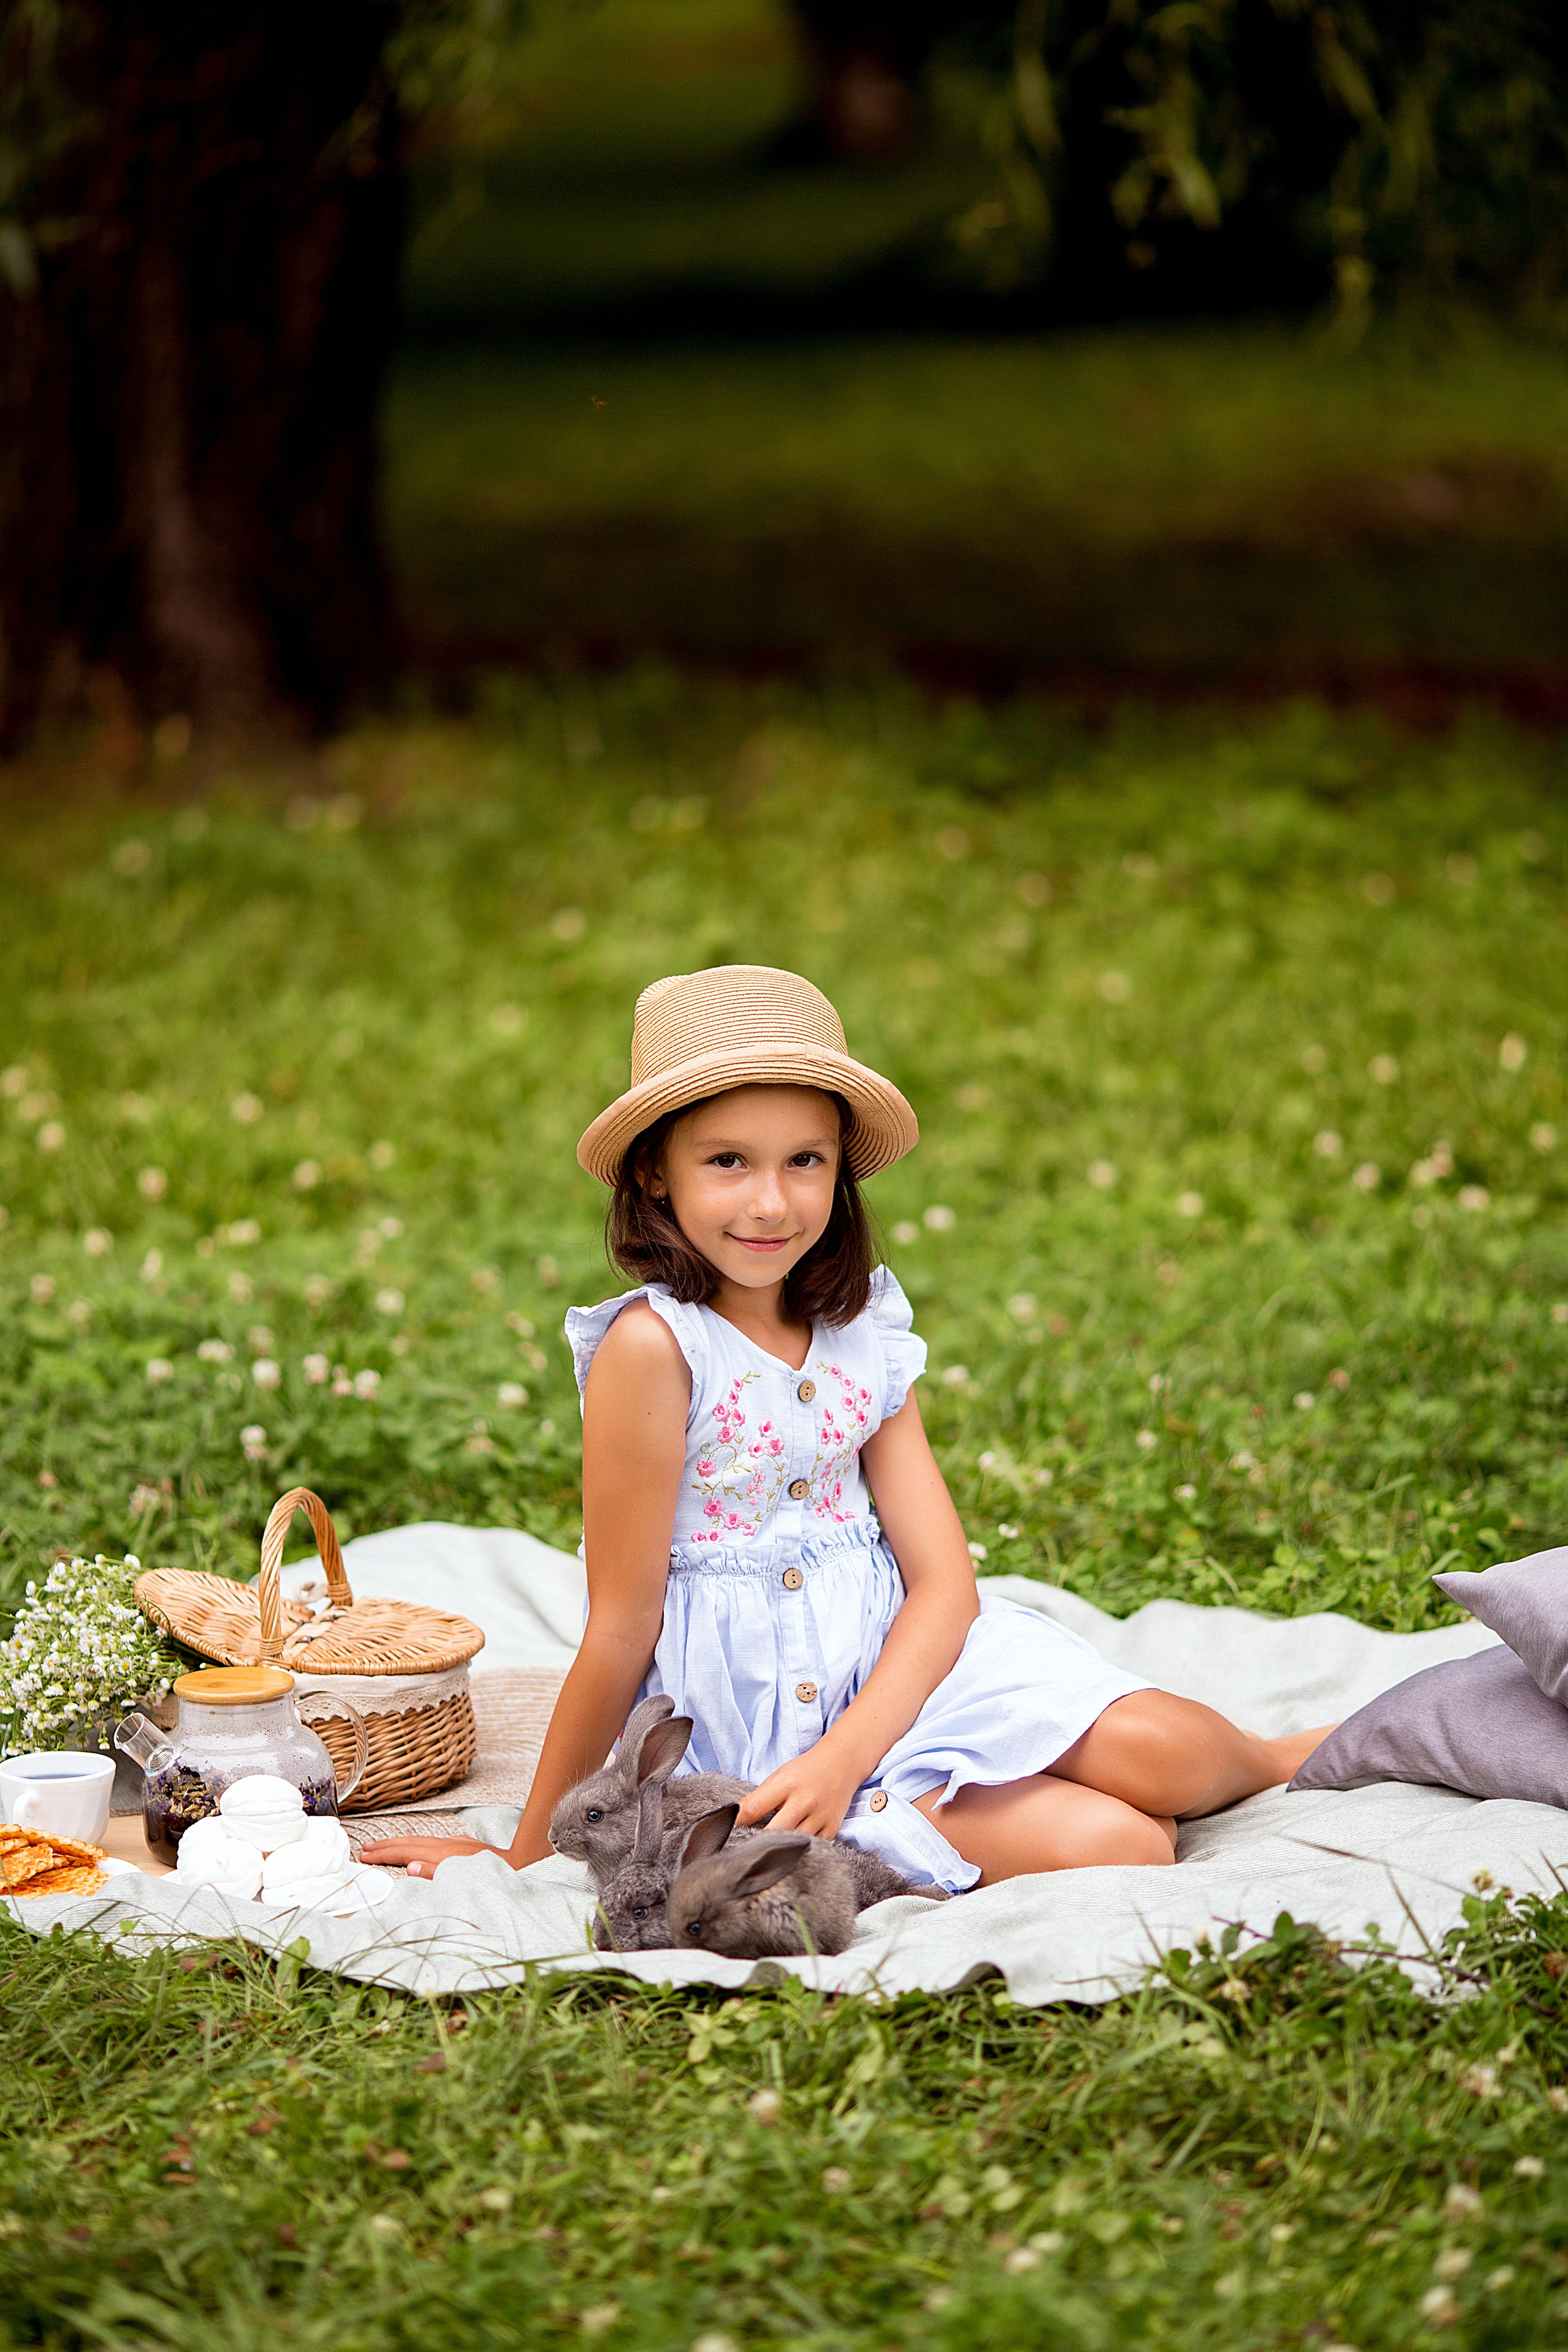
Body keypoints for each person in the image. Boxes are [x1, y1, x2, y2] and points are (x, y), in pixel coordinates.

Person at [364, 965, 1332, 1890]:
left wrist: (852, 1748)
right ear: (656, 1172)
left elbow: (944, 1584)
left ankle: (1291, 1757)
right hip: (763, 1736)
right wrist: (528, 1856)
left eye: (805, 1160)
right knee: (1127, 1843)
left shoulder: (860, 1330)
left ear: (838, 1168)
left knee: (1166, 1752)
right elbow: (622, 1628)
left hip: (900, 1678)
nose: (771, 1202)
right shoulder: (654, 1349)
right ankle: (964, 1801)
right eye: (728, 1161)